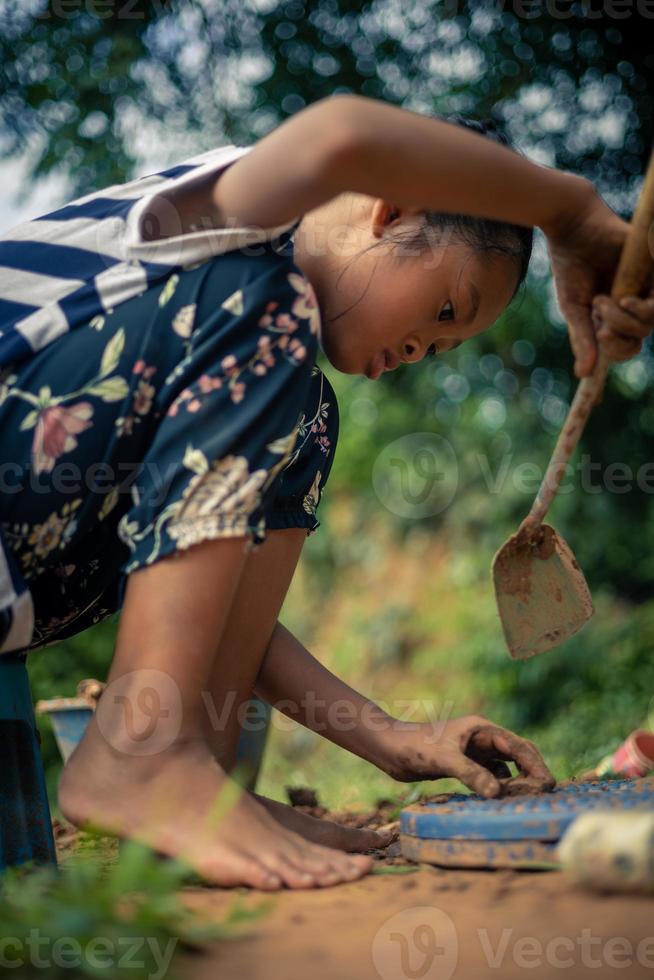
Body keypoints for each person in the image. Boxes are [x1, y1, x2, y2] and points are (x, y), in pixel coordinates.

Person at [0, 94, 652, 891]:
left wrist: (391, 737)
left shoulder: (269, 393)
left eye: (443, 348)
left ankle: (198, 771)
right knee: (270, 308)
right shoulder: (228, 223)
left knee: (308, 415)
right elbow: (342, 132)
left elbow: (197, 572)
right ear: (393, 208)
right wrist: (571, 211)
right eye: (446, 309)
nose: (421, 348)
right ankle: (144, 752)